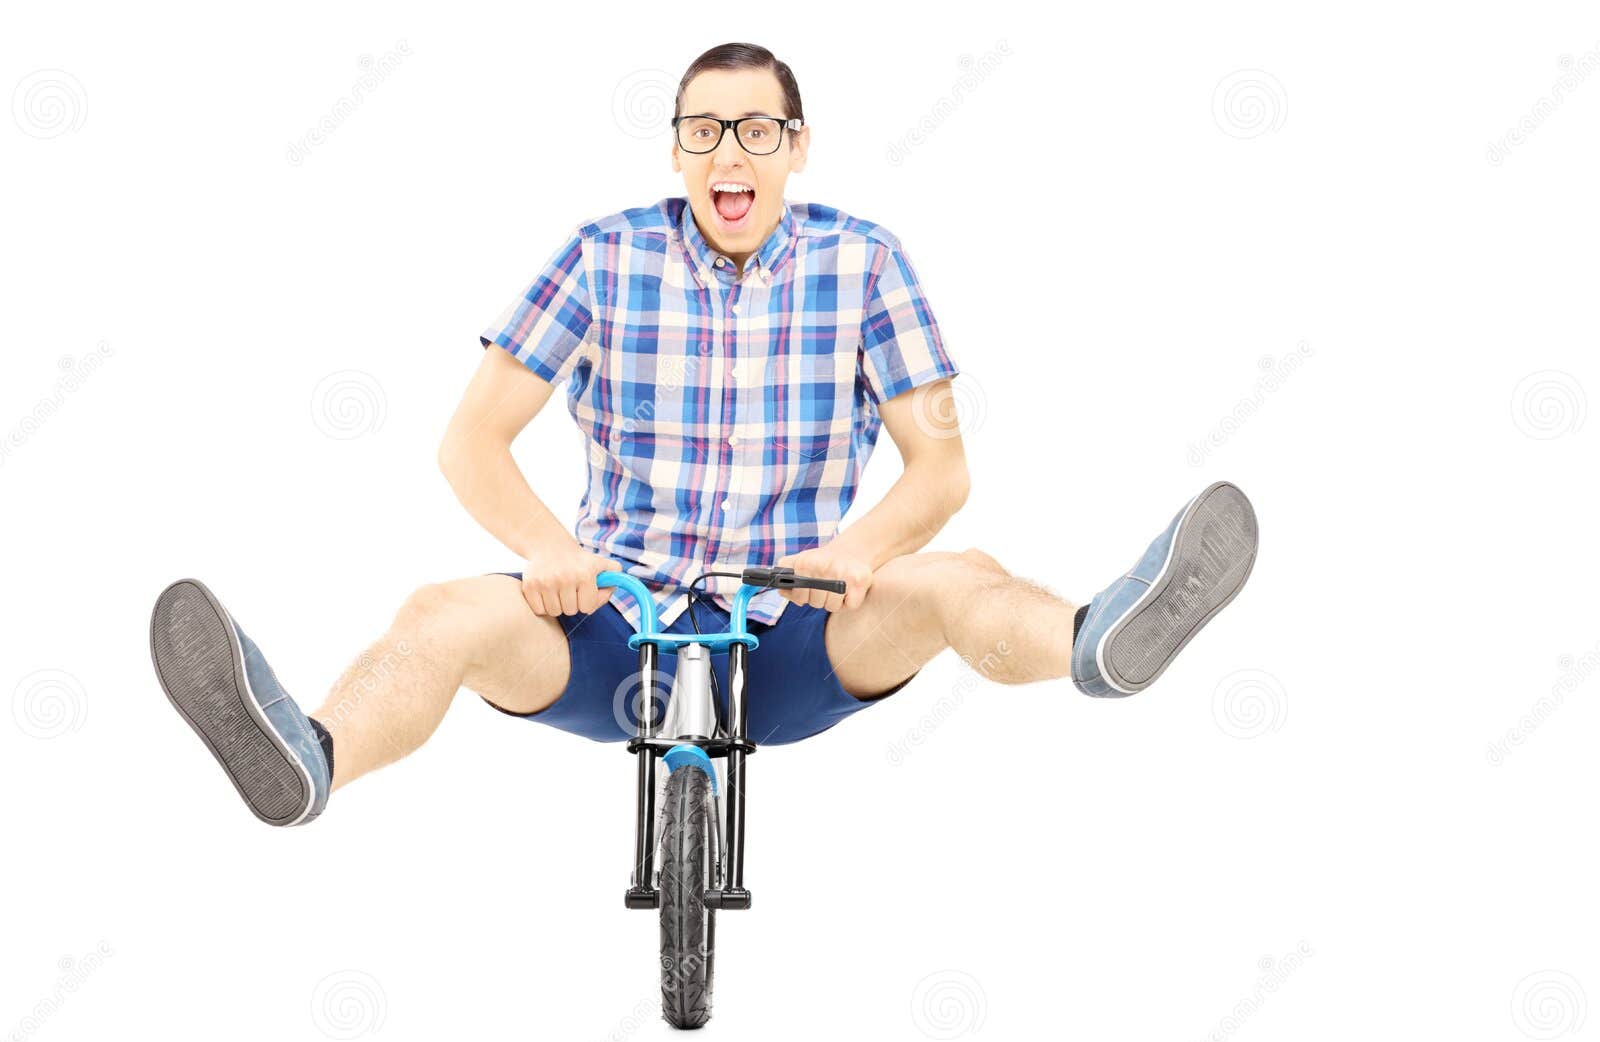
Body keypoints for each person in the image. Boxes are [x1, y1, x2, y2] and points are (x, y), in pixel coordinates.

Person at [149, 42, 1258, 827]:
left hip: (796, 629)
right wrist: (546, 546)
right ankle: (307, 755)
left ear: (796, 145)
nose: (731, 150)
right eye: (704, 130)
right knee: (440, 613)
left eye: (756, 129)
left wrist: (858, 554)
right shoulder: (601, 253)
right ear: (677, 151)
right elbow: (470, 440)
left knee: (958, 575)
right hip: (607, 622)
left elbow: (941, 467)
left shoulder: (865, 260)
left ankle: (1097, 641)